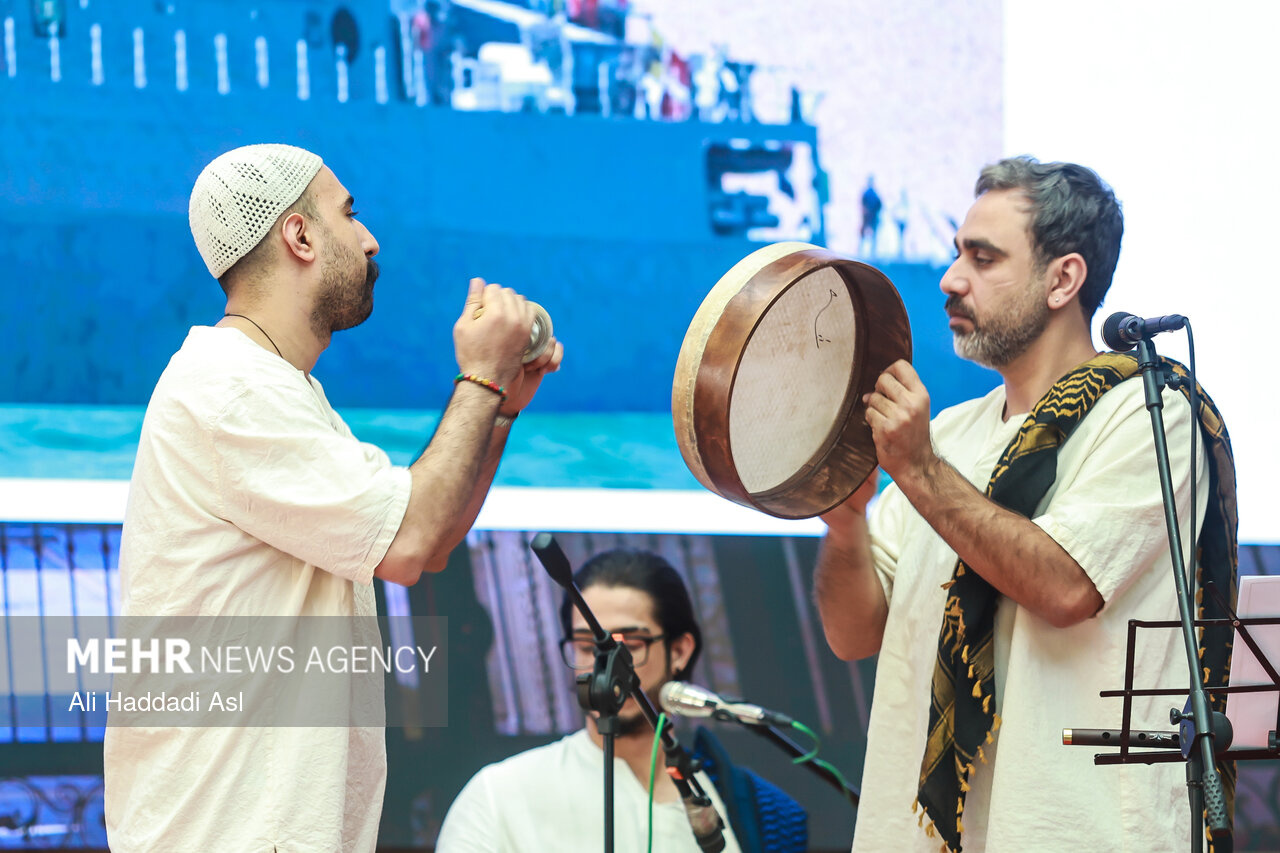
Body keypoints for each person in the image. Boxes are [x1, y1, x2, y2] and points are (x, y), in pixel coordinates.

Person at [103, 143, 563, 852]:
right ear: (300, 235)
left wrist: (498, 408)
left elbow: (428, 544)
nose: (370, 238)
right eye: (350, 214)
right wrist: (479, 375)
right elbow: (410, 540)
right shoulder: (233, 388)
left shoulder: (276, 389)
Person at [814, 156, 1236, 852]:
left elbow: (1064, 586)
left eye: (983, 259)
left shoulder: (1152, 417)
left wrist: (918, 471)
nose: (951, 279)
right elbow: (852, 635)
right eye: (957, 253)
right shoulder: (948, 435)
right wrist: (845, 524)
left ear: (1063, 279)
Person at [435, 548, 748, 852]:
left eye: (630, 645)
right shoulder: (498, 796)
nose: (606, 667)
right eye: (587, 647)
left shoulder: (739, 799)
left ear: (679, 651)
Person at [858, 174, 882, 258]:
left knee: (872, 235)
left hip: (871, 216)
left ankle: (870, 252)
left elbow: (879, 204)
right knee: (865, 235)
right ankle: (862, 251)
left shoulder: (873, 194)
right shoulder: (870, 193)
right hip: (868, 216)